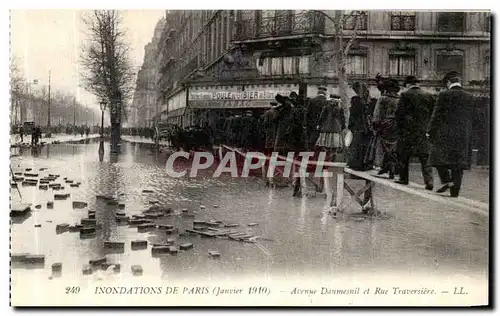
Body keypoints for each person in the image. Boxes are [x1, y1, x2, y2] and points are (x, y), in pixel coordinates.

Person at [427, 71, 475, 197]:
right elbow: (474, 117)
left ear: (449, 83)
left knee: (437, 157)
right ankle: (455, 193)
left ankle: (446, 180)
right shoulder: (469, 96)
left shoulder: (444, 94)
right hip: (463, 134)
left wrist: (430, 131)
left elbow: (436, 115)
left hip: (445, 133)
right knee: (458, 163)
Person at [395, 75, 434, 189]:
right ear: (417, 84)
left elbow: (399, 114)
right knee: (425, 156)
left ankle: (403, 178)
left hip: (408, 131)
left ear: (408, 84)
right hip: (423, 131)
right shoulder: (428, 95)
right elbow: (433, 114)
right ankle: (429, 181)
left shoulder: (405, 95)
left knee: (403, 155)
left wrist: (400, 128)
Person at [369, 78, 401, 179]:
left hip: (384, 125)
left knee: (381, 146)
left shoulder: (383, 99)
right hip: (396, 126)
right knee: (394, 148)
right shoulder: (400, 99)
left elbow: (377, 114)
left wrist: (375, 125)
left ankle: (380, 166)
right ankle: (392, 169)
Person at [348, 82, 373, 171]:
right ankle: (365, 164)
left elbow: (353, 114)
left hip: (358, 125)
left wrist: (350, 125)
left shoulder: (355, 99)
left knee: (356, 145)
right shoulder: (369, 100)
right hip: (367, 126)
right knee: (365, 145)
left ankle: (356, 164)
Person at [316, 95, 346, 162]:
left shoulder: (326, 108)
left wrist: (319, 125)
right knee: (335, 145)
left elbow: (322, 117)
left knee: (326, 144)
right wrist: (343, 127)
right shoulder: (340, 109)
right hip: (336, 128)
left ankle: (327, 157)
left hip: (327, 128)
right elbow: (342, 119)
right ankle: (333, 157)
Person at [304, 86, 327, 150]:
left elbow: (307, 113)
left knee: (311, 139)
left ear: (318, 92)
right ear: (325, 93)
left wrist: (305, 124)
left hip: (312, 123)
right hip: (323, 124)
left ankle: (310, 153)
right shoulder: (327, 102)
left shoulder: (312, 100)